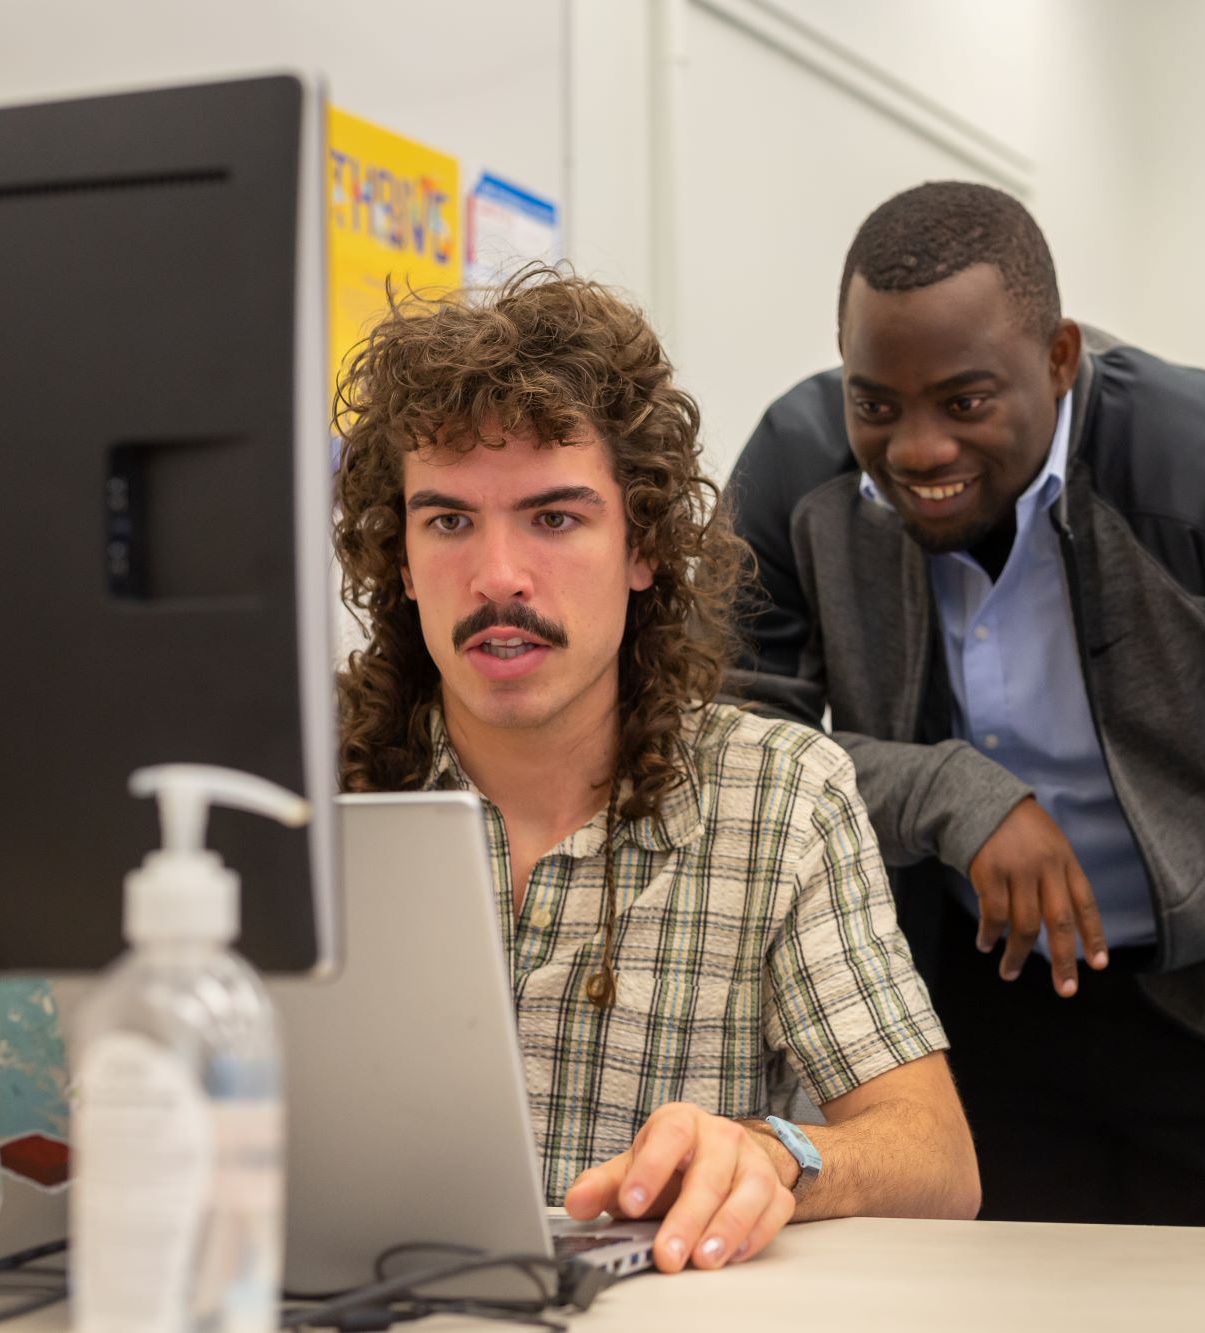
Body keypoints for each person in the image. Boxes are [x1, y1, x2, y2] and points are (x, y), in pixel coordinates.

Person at [725, 182, 1205, 1227]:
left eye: (963, 401)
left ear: (1058, 358)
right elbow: (737, 750)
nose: (915, 448)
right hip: (965, 1019)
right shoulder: (794, 473)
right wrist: (954, 794)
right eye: (875, 402)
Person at [332, 267, 979, 1276]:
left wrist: (777, 1155)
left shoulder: (776, 794)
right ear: (401, 560)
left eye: (553, 518)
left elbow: (938, 1160)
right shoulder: (295, 792)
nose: (498, 575)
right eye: (449, 520)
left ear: (644, 546)